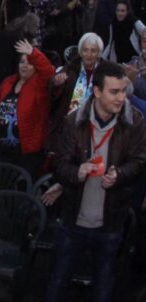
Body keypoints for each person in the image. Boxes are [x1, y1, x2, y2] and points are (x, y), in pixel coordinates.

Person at [45, 61, 146, 302]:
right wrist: (76, 172)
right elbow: (59, 164)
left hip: (111, 222)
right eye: (114, 92)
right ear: (97, 91)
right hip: (73, 220)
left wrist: (119, 175)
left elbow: (139, 160)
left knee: (103, 288)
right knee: (58, 282)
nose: (121, 98)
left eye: (123, 90)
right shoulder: (73, 122)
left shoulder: (135, 121)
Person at [0, 40, 59, 179]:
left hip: (28, 152)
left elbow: (48, 71)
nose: (25, 66)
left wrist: (33, 53)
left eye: (29, 63)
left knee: (24, 189)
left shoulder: (39, 85)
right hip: (4, 149)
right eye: (22, 62)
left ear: (35, 67)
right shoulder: (8, 82)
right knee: (5, 186)